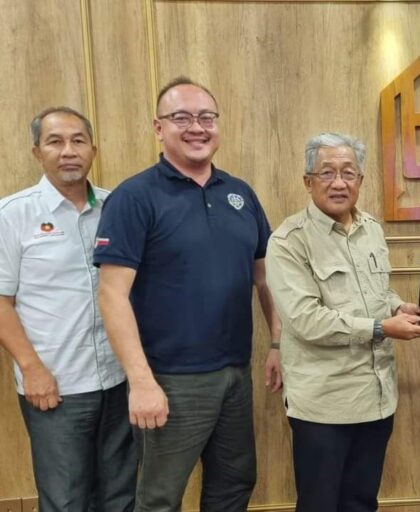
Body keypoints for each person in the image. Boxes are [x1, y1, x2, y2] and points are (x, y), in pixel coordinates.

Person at [94, 77, 281, 511]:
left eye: (206, 117)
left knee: (235, 484)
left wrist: (277, 342)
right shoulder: (133, 197)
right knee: (160, 498)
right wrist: (141, 382)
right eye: (181, 118)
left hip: (235, 373)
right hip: (171, 380)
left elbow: (265, 277)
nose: (197, 127)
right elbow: (111, 296)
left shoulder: (239, 193)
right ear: (159, 128)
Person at [265, 132, 420, 511]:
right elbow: (305, 320)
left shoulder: (371, 228)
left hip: (376, 397)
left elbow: (378, 293)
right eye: (327, 173)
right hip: (324, 404)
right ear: (308, 181)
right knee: (320, 504)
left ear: (361, 180)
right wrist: (381, 328)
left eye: (348, 173)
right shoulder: (288, 241)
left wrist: (397, 308)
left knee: (361, 502)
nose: (339, 183)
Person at [0, 107, 135, 510]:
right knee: (66, 500)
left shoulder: (116, 207)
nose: (68, 151)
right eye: (55, 142)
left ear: (94, 149)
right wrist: (32, 368)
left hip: (117, 380)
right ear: (36, 152)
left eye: (78, 141)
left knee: (120, 496)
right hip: (56, 387)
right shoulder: (12, 215)